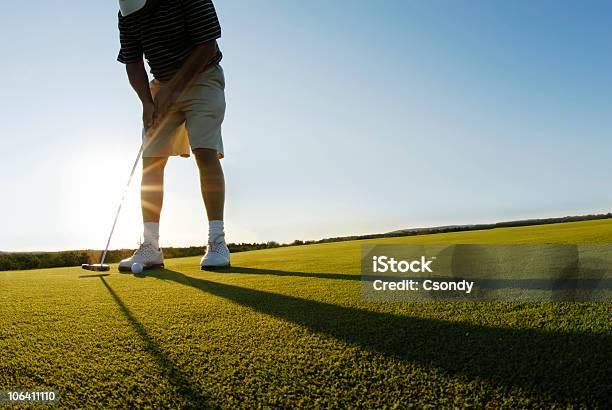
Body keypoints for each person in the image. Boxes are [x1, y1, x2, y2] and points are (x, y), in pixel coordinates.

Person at [115, 0, 230, 271]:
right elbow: (132, 62)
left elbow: (207, 45)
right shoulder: (126, 12)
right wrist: (146, 100)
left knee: (204, 151)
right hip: (162, 84)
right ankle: (151, 246)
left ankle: (217, 242)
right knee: (151, 160)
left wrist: (174, 89)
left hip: (203, 76)